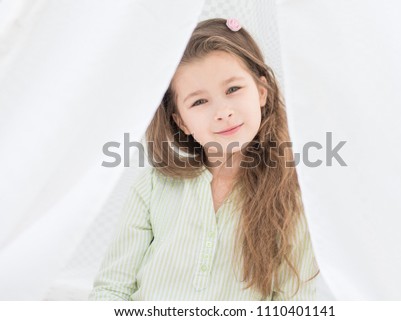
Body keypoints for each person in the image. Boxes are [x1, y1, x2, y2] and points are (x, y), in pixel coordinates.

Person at [89, 18, 319, 301]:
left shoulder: (295, 195)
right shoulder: (153, 184)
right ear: (181, 121)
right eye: (199, 102)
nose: (222, 111)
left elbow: (294, 304)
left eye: (233, 89)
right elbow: (112, 289)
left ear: (262, 92)